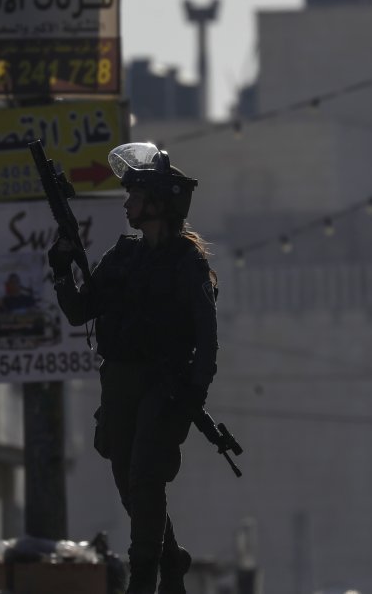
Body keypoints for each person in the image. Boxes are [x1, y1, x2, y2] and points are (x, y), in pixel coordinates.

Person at [48, 142, 218, 594]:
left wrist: (191, 395)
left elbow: (207, 340)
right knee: (129, 481)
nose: (128, 204)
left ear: (158, 204)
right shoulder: (123, 256)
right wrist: (61, 268)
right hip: (120, 383)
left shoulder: (188, 264)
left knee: (146, 474)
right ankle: (170, 558)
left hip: (165, 386)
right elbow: (80, 311)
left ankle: (143, 577)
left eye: (136, 196)